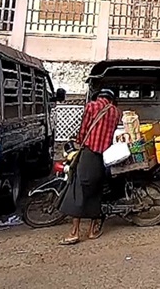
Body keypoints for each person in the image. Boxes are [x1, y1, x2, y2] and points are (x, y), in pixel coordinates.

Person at [58, 88, 121, 245]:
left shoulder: (92, 106)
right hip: (102, 157)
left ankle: (74, 233)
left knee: (78, 190)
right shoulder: (115, 112)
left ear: (99, 96)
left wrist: (79, 139)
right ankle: (92, 231)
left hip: (88, 154)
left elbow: (83, 129)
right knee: (96, 192)